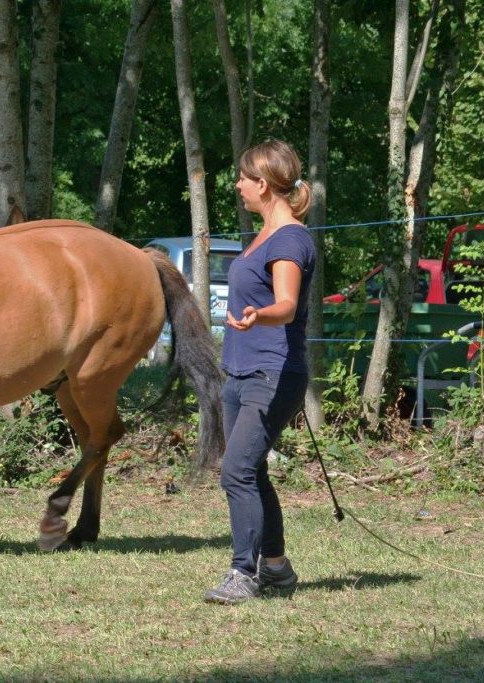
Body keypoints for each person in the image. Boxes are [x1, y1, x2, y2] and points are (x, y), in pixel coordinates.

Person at [204, 139, 317, 605]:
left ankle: (243, 573)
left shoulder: (290, 239)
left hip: (274, 373)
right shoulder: (265, 236)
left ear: (264, 185)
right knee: (250, 471)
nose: (238, 186)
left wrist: (259, 315)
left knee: (236, 471)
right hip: (241, 372)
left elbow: (287, 305)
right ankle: (276, 567)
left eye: (244, 179)